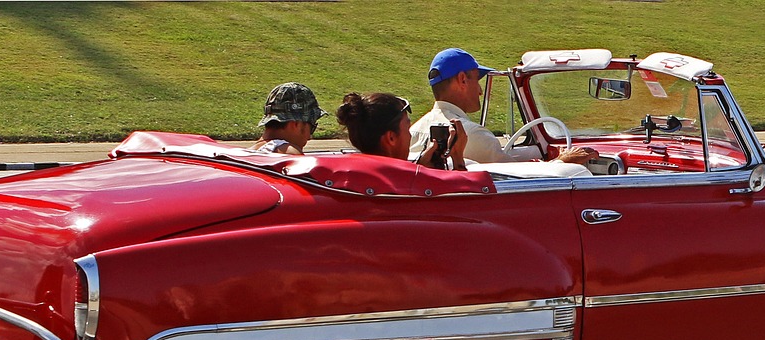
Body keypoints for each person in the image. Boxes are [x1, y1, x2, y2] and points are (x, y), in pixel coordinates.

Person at [408, 48, 595, 165]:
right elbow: (522, 181)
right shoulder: (472, 134)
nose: (480, 91)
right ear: (462, 79)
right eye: (477, 80)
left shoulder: (413, 132)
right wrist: (562, 162)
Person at [337, 92, 467, 170]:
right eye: (407, 126)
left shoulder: (345, 174)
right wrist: (458, 159)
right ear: (391, 138)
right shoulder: (406, 186)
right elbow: (462, 204)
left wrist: (419, 167)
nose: (409, 134)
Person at [250, 82, 326, 155]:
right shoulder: (289, 153)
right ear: (296, 123)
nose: (309, 138)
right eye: (312, 128)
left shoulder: (246, 154)